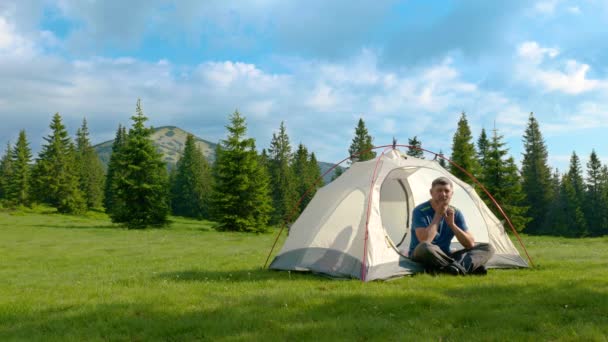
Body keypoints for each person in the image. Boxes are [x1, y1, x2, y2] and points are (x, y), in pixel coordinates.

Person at [408, 176, 494, 275]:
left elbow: (469, 244)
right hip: (422, 254)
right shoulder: (420, 210)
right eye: (439, 190)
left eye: (447, 191)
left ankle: (452, 269)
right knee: (425, 247)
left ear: (451, 194)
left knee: (487, 248)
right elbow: (425, 240)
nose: (443, 194)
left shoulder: (455, 212)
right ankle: (465, 268)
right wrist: (438, 215)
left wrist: (452, 225)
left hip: (445, 255)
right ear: (431, 193)